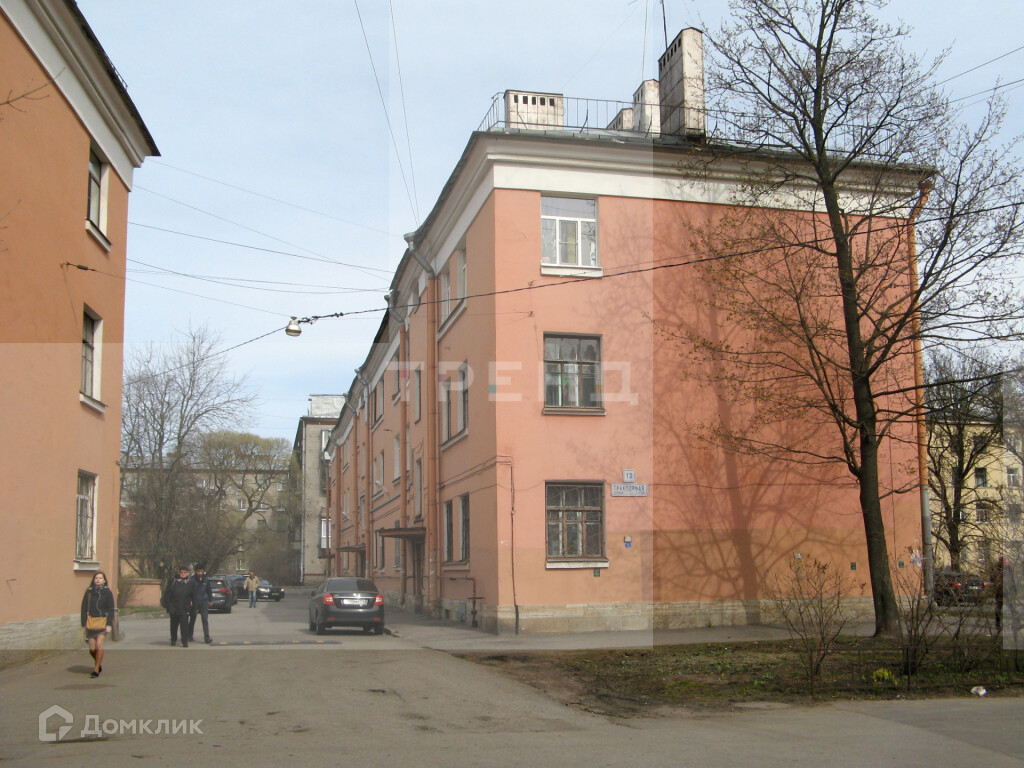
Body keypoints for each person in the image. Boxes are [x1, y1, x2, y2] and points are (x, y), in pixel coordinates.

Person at [80, 571, 114, 678]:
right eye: (96, 578)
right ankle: (98, 663)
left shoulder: (107, 592)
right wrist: (84, 623)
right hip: (91, 622)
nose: (98, 580)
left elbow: (111, 609)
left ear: (104, 580)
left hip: (102, 622)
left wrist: (109, 624)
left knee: (99, 645)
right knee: (92, 649)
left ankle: (96, 670)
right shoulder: (89, 592)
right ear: (93, 580)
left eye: (100, 578)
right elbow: (83, 608)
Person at [162, 566, 194, 647]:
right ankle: (173, 640)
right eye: (181, 572)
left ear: (187, 573)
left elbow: (193, 595)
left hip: (184, 608)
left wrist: (193, 606)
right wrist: (168, 605)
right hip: (174, 608)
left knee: (184, 626)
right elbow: (167, 593)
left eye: (184, 572)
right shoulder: (173, 581)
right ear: (179, 573)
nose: (183, 574)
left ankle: (184, 642)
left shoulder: (190, 582)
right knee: (174, 626)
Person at [188, 564, 214, 644]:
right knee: (192, 619)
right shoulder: (192, 580)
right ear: (196, 571)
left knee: (205, 620)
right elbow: (189, 591)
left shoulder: (205, 579)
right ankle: (189, 635)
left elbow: (209, 590)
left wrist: (210, 600)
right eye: (198, 571)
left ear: (203, 571)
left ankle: (207, 637)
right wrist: (190, 600)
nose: (200, 573)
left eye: (201, 571)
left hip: (204, 602)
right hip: (195, 602)